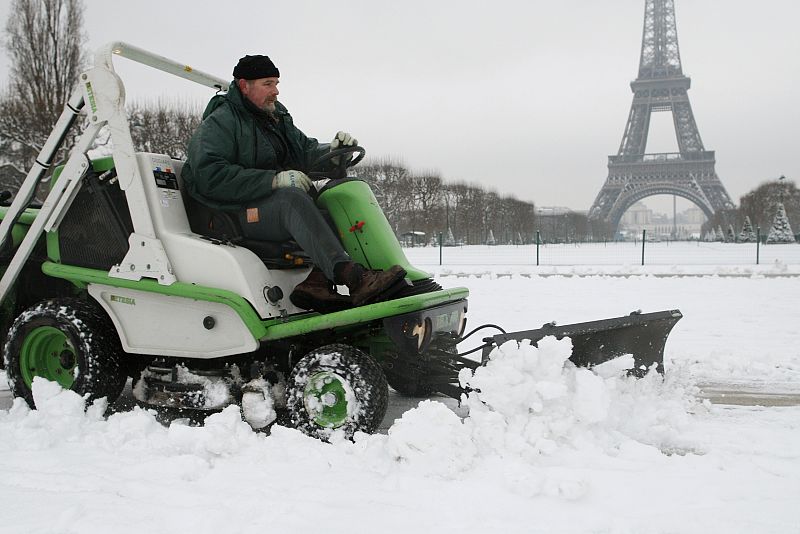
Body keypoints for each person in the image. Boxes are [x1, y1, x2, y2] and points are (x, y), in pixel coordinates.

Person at [182, 54, 407, 312]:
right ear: (244, 86)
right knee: (291, 199)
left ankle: (316, 282)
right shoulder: (222, 122)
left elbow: (304, 152)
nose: (275, 91)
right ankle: (353, 276)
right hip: (229, 213)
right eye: (268, 84)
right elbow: (208, 175)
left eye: (276, 83)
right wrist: (272, 180)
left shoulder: (275, 117)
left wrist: (334, 152)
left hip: (264, 206)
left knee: (332, 204)